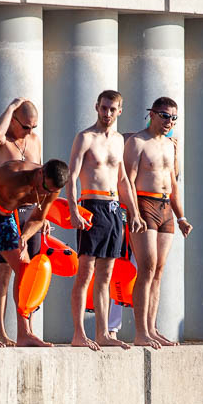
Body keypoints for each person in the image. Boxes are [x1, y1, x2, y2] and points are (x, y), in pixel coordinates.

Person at [0, 159, 69, 347]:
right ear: (40, 172)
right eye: (44, 187)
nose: (44, 193)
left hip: (6, 216)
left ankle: (24, 333)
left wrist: (24, 236)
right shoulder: (11, 173)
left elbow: (38, 219)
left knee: (25, 268)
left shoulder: (51, 190)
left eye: (50, 191)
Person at [67, 90, 145, 351]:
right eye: (104, 108)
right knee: (85, 272)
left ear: (120, 111)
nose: (107, 113)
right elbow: (72, 176)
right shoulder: (85, 137)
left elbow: (122, 179)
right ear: (96, 107)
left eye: (112, 109)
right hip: (91, 205)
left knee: (106, 274)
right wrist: (73, 209)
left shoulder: (120, 140)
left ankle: (103, 333)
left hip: (113, 210)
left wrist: (134, 212)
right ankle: (79, 333)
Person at [124, 96, 191, 349]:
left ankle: (152, 328)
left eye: (173, 118)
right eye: (164, 116)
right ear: (151, 114)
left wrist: (181, 217)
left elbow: (173, 183)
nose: (169, 121)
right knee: (147, 267)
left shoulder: (171, 145)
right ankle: (140, 331)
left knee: (159, 270)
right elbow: (128, 181)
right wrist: (134, 212)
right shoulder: (138, 142)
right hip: (144, 203)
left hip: (166, 208)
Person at [0, 97, 43, 345]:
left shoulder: (34, 141)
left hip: (29, 213)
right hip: (4, 213)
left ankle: (26, 330)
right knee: (3, 273)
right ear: (13, 120)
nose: (29, 131)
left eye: (33, 127)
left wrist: (42, 215)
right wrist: (11, 106)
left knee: (28, 273)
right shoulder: (2, 142)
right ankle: (1, 330)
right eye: (25, 126)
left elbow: (40, 179)